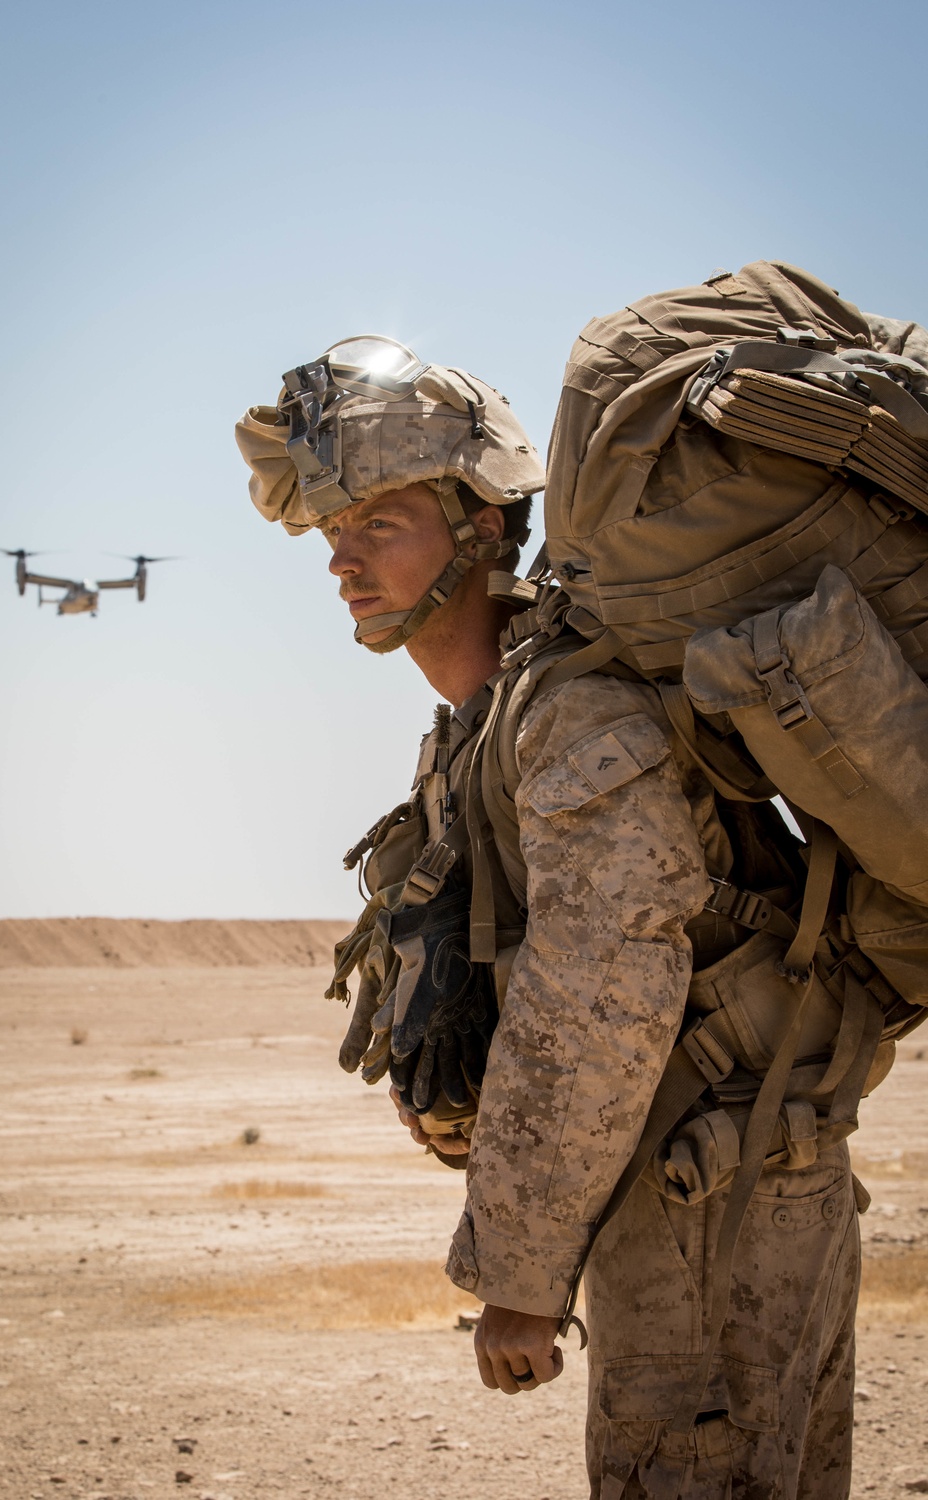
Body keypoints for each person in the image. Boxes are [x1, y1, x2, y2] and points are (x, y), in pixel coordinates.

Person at [235, 338, 861, 1498]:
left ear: (479, 528)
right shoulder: (491, 722)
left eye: (382, 522)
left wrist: (518, 1273)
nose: (342, 559)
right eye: (334, 530)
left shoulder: (572, 717)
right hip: (703, 1191)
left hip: (710, 1206)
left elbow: (598, 994)